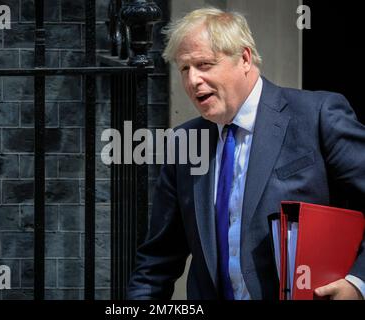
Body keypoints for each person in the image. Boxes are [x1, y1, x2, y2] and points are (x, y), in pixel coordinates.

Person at [127, 8, 365, 300]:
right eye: (185, 69)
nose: (192, 81)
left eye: (204, 64)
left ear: (244, 58)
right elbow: (158, 260)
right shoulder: (184, 142)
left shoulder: (317, 116)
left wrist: (357, 283)